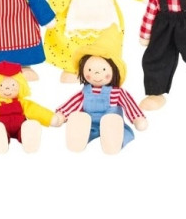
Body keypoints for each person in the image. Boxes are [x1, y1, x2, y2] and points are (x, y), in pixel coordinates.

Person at [56, 26, 147, 154]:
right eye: (90, 70)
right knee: (81, 122)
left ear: (114, 70)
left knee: (115, 127)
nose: (96, 74)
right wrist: (61, 115)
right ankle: (78, 137)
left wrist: (137, 118)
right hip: (90, 125)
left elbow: (129, 104)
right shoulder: (85, 92)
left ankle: (112, 140)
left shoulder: (117, 92)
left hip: (113, 124)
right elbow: (73, 103)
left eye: (103, 69)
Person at [0, 61, 64, 153]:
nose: (8, 88)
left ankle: (29, 138)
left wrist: (50, 118)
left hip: (21, 127)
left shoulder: (23, 103)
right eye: (1, 85)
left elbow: (36, 110)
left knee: (30, 125)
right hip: (2, 128)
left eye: (13, 85)